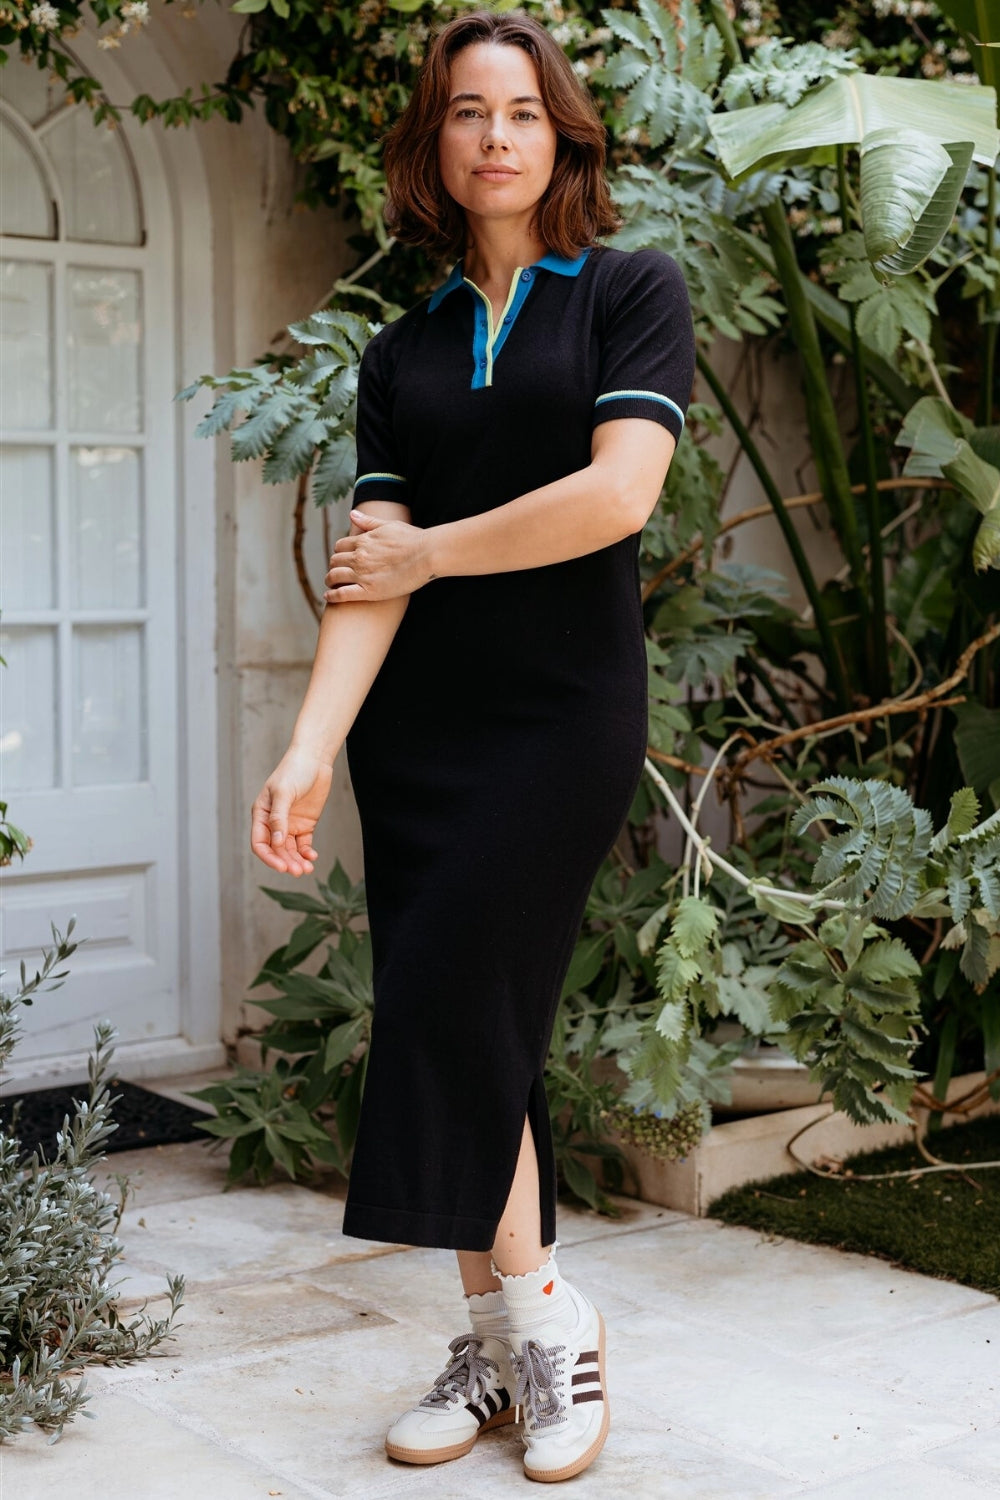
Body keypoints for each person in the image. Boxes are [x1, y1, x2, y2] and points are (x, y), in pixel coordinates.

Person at [250, 8, 695, 1484]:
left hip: (562, 712)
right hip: (422, 732)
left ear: (562, 134)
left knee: (454, 1001)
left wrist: (436, 552)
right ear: (433, 143)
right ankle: (510, 1344)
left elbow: (617, 496)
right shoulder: (404, 348)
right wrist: (311, 748)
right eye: (464, 112)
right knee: (462, 1017)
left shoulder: (628, 294)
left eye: (519, 110)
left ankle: (544, 1329)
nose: (494, 134)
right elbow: (370, 577)